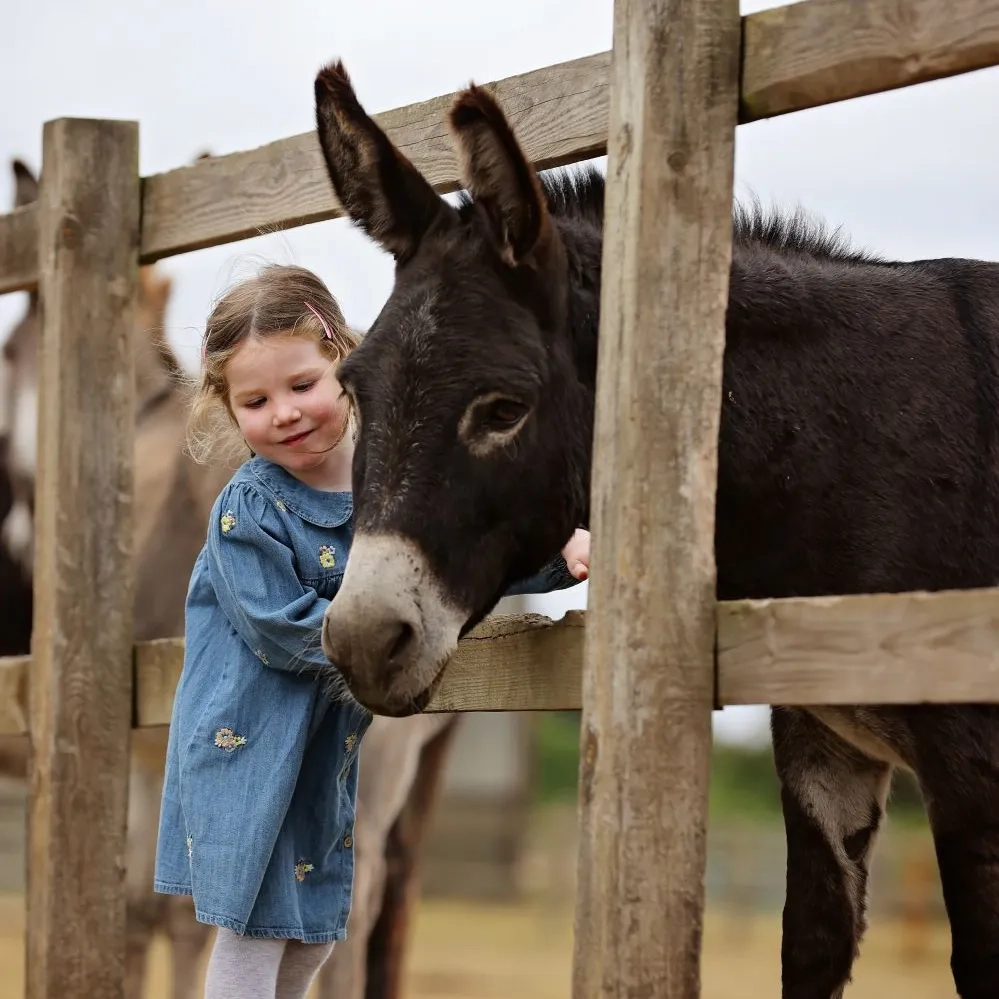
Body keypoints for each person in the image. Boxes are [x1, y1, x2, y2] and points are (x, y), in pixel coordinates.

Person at [153, 263, 589, 999]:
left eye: (301, 385)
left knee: (314, 933)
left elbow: (436, 572)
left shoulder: (383, 488)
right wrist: (383, 636)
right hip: (248, 746)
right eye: (254, 401)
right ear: (228, 412)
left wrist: (554, 560)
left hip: (323, 750)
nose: (284, 412)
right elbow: (275, 626)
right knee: (253, 933)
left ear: (344, 363)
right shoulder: (247, 509)